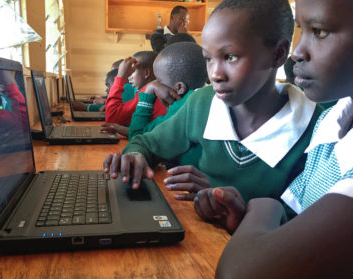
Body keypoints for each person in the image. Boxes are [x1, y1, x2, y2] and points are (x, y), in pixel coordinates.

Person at [193, 0, 353, 279]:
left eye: (319, 31)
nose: (297, 52)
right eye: (301, 30)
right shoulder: (334, 122)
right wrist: (249, 221)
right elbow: (293, 215)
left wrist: (263, 206)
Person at [103, 0, 323, 211]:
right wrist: (135, 157)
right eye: (208, 59)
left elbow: (302, 223)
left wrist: (234, 206)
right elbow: (146, 143)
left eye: (230, 57)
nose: (215, 74)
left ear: (278, 54)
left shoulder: (316, 129)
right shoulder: (203, 102)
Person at [128, 41, 207, 141]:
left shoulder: (178, 112)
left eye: (158, 81)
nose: (154, 83)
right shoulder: (203, 101)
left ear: (179, 88)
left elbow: (136, 138)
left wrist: (148, 92)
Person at [105, 51, 167, 126]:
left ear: (146, 73)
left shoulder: (148, 94)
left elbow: (112, 118)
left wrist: (121, 76)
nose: (129, 76)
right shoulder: (153, 90)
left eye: (133, 71)